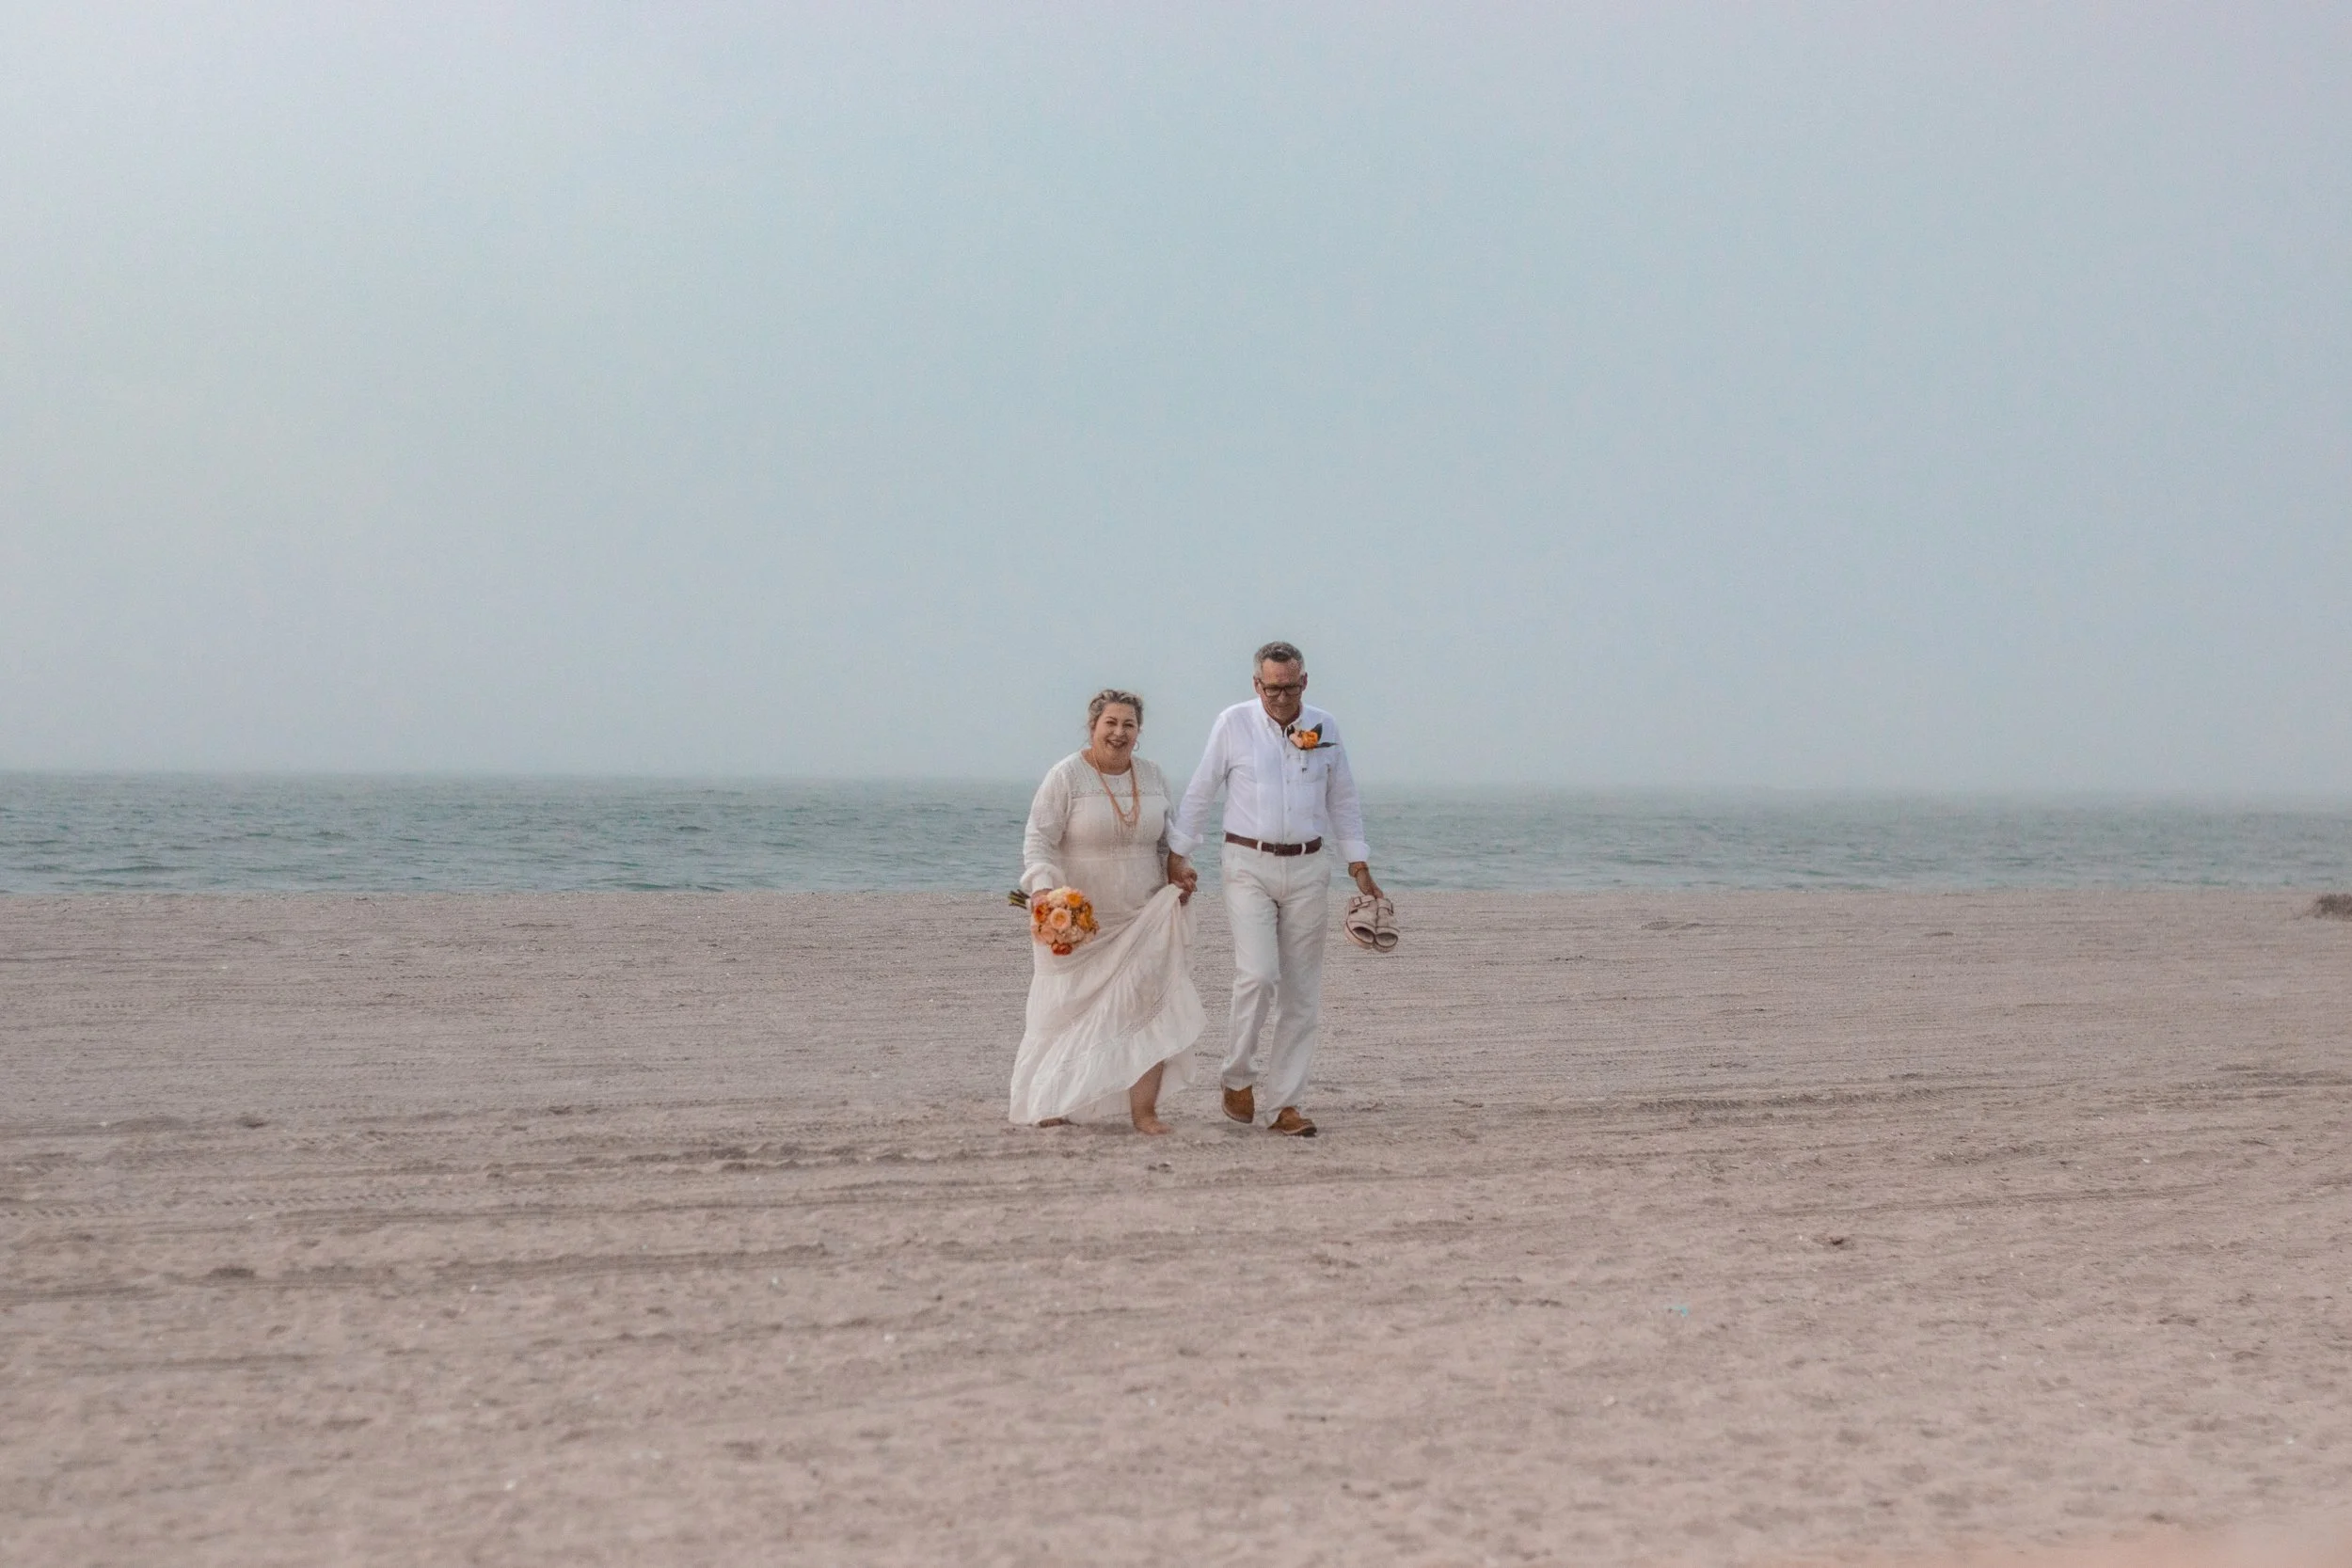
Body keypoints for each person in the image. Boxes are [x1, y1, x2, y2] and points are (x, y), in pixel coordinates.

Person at [1166, 641, 1382, 1137]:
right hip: (1246, 862)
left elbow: (1343, 797)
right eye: (1271, 688)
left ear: (1304, 683)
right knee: (1259, 975)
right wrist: (1179, 852)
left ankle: (1286, 1104)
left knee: (1303, 992)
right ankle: (1237, 1076)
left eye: (1289, 688)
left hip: (1309, 866)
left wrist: (1359, 863)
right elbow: (1202, 788)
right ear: (1255, 685)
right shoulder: (1232, 723)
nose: (1281, 698)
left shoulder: (1325, 727)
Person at [1009, 689, 1206, 1134]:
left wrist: (1181, 872)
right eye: (1110, 724)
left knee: (1148, 1007)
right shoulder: (1066, 775)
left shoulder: (1153, 776)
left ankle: (1145, 1113)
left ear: (1140, 731)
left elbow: (1167, 842)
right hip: (1078, 920)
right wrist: (1042, 892)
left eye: (1129, 725)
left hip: (1143, 913)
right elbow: (1038, 838)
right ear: (1093, 726)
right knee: (1062, 1011)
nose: (1119, 733)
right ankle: (1052, 1100)